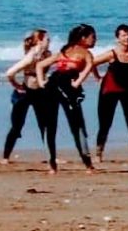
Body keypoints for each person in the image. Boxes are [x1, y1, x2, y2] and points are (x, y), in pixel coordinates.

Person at [35, 24, 97, 174]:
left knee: (50, 126)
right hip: (67, 88)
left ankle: (52, 166)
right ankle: (88, 164)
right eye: (92, 37)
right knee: (77, 125)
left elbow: (40, 65)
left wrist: (42, 81)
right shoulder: (85, 53)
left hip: (52, 84)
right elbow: (88, 68)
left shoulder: (64, 51)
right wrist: (77, 83)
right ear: (83, 38)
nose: (95, 40)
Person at [93, 24, 128, 162]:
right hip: (109, 91)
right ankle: (98, 154)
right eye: (123, 35)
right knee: (105, 123)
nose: (127, 37)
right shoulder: (112, 54)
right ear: (117, 38)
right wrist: (98, 78)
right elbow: (92, 63)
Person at [1, 29, 52, 163]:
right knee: (17, 125)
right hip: (26, 92)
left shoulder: (48, 54)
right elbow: (10, 73)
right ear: (39, 41)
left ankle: (51, 156)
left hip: (40, 92)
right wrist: (17, 86)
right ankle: (5, 157)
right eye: (47, 39)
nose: (49, 41)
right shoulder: (31, 55)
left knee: (45, 124)